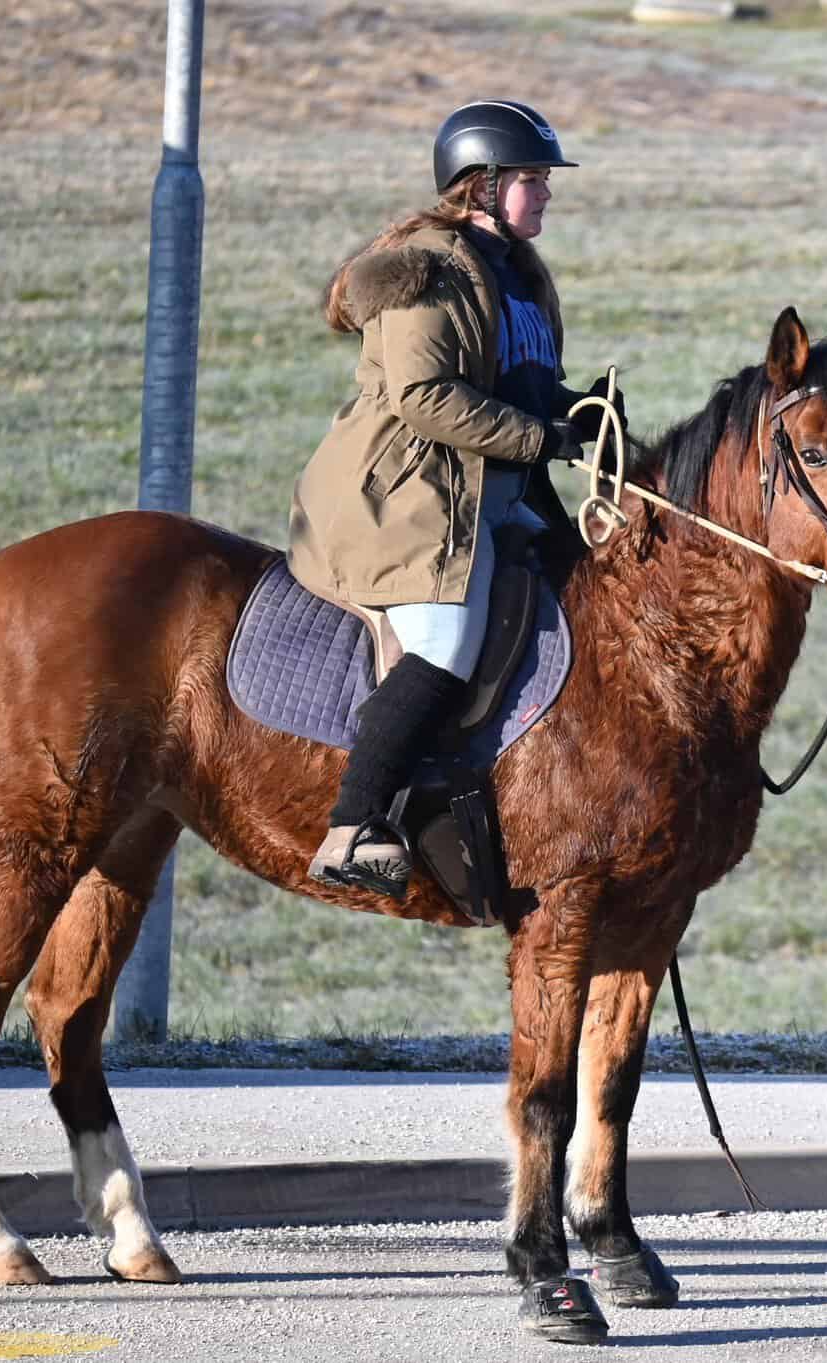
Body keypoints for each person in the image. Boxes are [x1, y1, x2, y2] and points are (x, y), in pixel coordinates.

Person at [289, 99, 621, 898]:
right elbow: (423, 396)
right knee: (446, 639)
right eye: (532, 179)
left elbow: (519, 390)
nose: (546, 194)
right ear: (482, 183)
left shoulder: (518, 275)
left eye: (544, 179)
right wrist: (540, 438)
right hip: (407, 495)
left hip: (488, 493)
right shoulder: (431, 266)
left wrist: (579, 411)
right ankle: (354, 822)